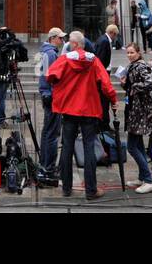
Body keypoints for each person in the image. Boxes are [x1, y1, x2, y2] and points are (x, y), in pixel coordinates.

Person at [47, 31, 117, 200]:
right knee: (89, 148)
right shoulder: (93, 60)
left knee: (67, 147)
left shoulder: (64, 59)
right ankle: (91, 190)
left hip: (70, 109)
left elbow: (50, 75)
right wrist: (113, 99)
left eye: (70, 42)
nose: (69, 44)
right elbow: (106, 83)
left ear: (75, 44)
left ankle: (67, 188)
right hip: (89, 109)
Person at [120, 42, 152, 193]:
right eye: (128, 53)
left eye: (132, 53)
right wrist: (125, 84)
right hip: (133, 109)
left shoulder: (141, 66)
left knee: (131, 146)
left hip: (139, 110)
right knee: (139, 145)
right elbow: (132, 85)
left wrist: (134, 87)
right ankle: (142, 177)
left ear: (138, 53)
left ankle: (149, 180)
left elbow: (150, 83)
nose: (129, 55)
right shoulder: (132, 66)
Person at [36, 27, 64, 182]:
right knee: (52, 133)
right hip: (52, 96)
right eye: (60, 38)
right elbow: (51, 76)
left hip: (46, 94)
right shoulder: (51, 53)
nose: (62, 41)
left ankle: (44, 163)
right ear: (53, 38)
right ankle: (49, 167)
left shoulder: (44, 52)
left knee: (47, 131)